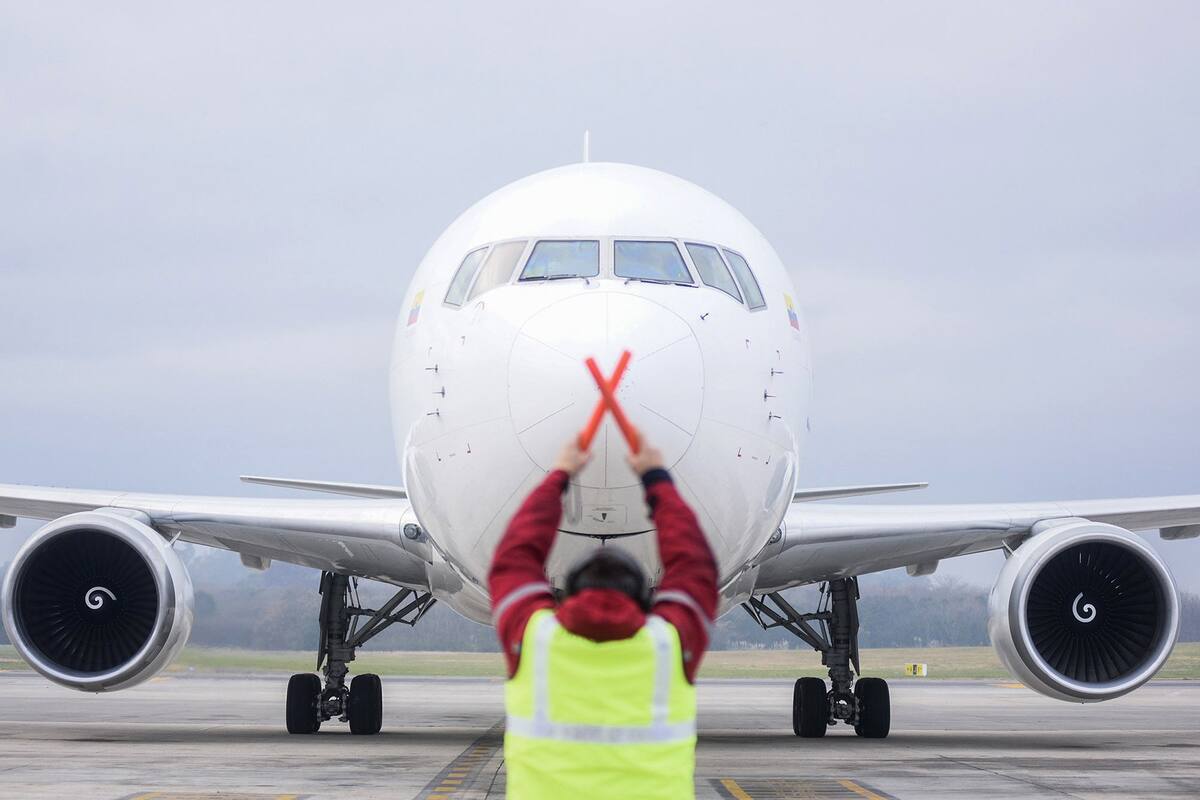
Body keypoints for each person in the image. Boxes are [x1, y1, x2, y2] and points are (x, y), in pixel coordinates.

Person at [488, 435, 718, 800]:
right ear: (646, 599)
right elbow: (696, 565)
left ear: (567, 596)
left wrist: (559, 474)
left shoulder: (535, 639)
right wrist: (658, 478)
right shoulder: (668, 645)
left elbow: (512, 558)